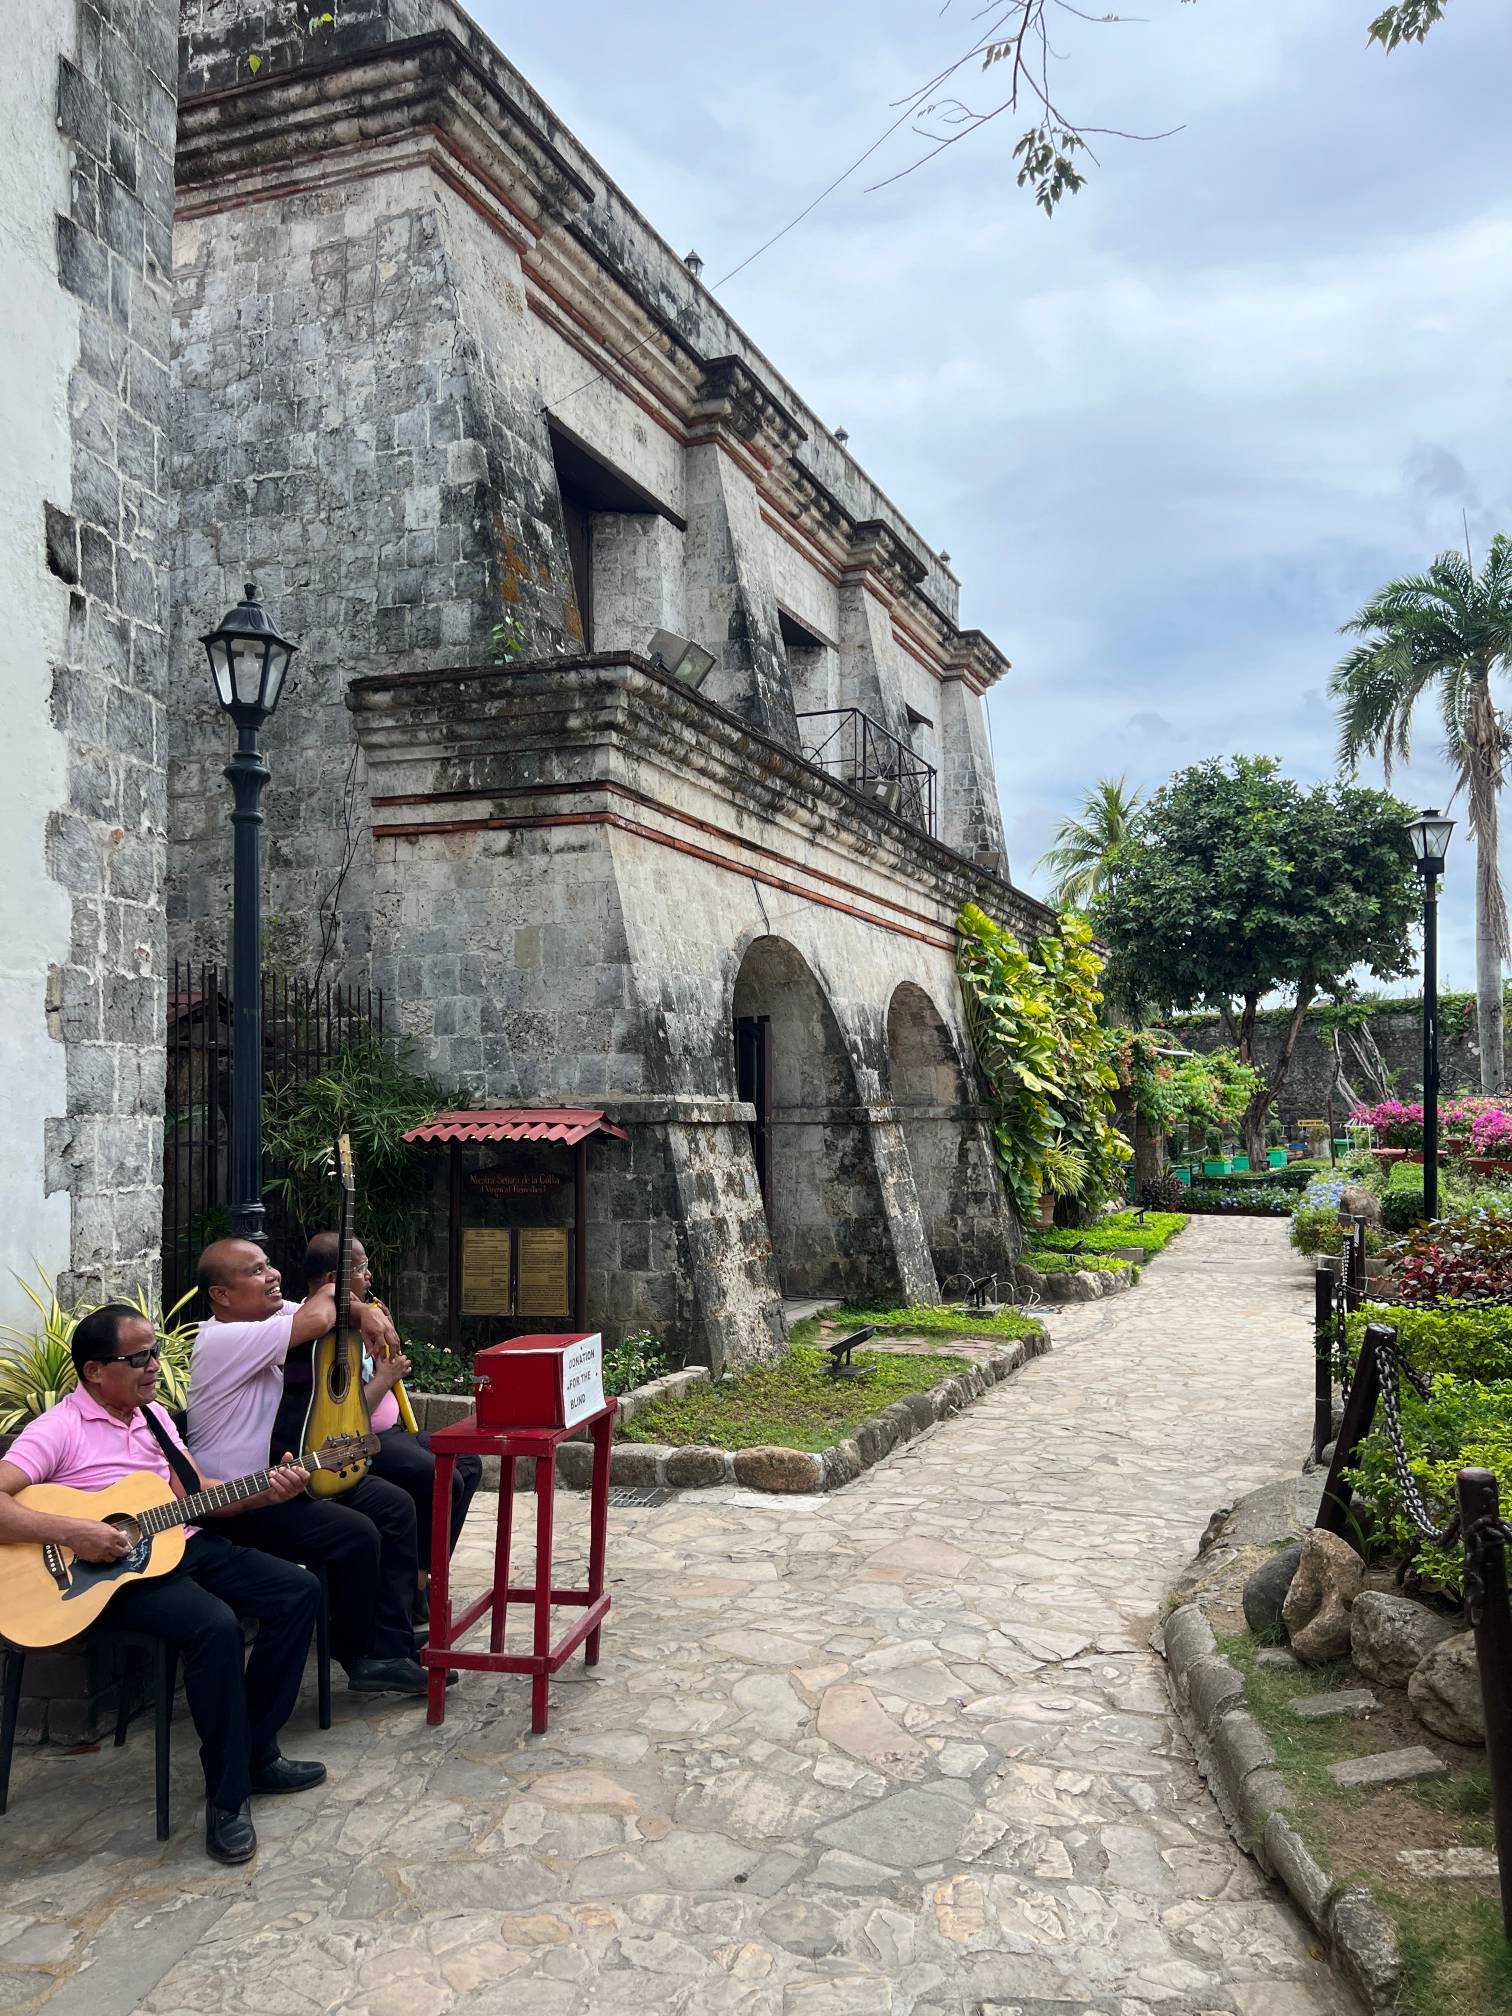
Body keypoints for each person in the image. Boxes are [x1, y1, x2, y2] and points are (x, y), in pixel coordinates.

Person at [0, 1304, 325, 1865]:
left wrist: (268, 1491)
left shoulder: (155, 1417)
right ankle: (228, 1798)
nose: (154, 1365)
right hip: (106, 1577)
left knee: (299, 1591)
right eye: (139, 1357)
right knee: (215, 1627)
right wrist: (74, 1532)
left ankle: (252, 1751)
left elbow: (199, 1494)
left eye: (154, 1353)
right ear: (95, 1371)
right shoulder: (58, 1428)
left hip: (181, 1545)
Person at [186, 1239, 444, 1700]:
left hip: (289, 1476)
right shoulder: (221, 1339)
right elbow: (321, 1315)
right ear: (221, 1295)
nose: (273, 1276)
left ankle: (389, 1644)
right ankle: (358, 1652)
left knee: (394, 1505)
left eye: (268, 1265)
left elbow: (328, 1305)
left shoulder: (271, 1318)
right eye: (256, 1271)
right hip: (236, 1497)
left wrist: (361, 1310)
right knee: (355, 1534)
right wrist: (360, 1310)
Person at [301, 1232, 481, 1612]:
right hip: (358, 1441)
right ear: (333, 1279)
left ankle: (423, 1573)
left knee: (467, 1461)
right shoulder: (321, 1336)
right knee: (442, 1477)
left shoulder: (363, 1317)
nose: (369, 1277)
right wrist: (387, 1376)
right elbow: (342, 1415)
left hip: (393, 1431)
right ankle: (414, 1587)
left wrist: (384, 1341)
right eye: (361, 1269)